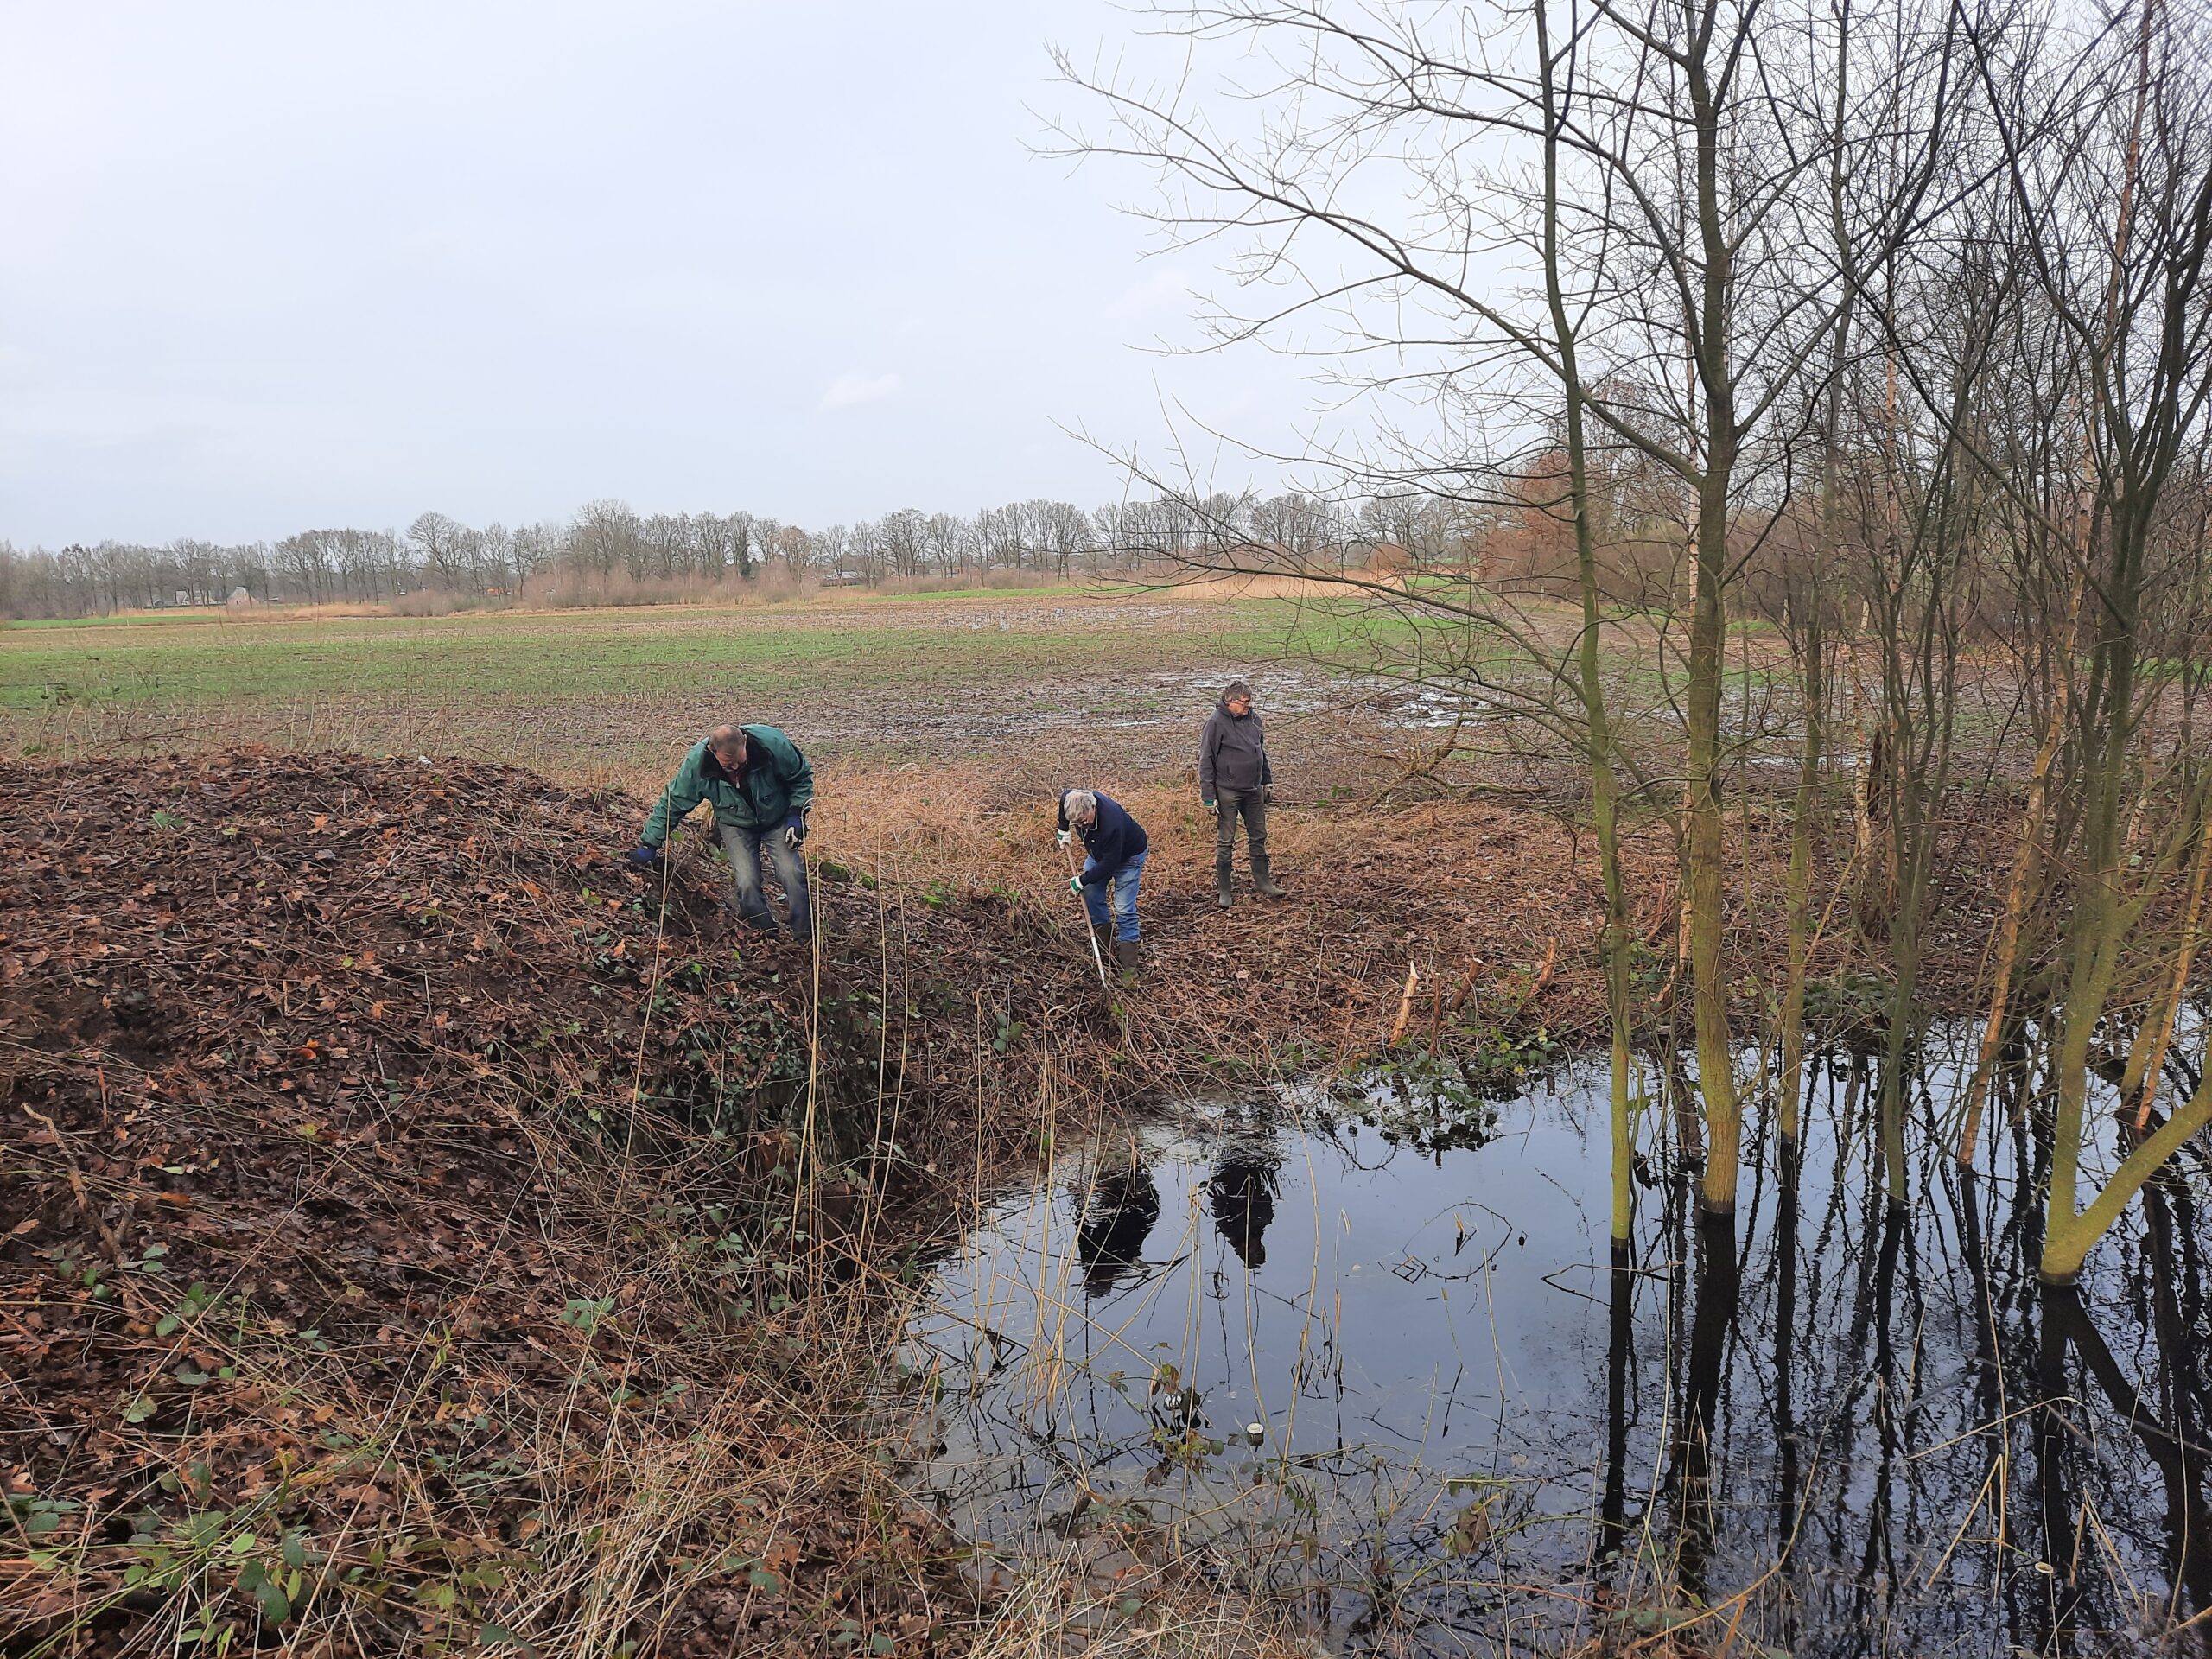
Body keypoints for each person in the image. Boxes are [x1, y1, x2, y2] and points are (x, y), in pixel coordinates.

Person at [628, 723, 815, 943]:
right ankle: (764, 935)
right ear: (712, 751)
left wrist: (796, 814)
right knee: (746, 880)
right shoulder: (697, 765)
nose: (735, 768)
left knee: (791, 873)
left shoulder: (772, 745)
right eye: (728, 766)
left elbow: (801, 777)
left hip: (778, 817)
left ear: (745, 741)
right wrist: (650, 844)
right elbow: (674, 802)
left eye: (740, 762)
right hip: (735, 822)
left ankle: (805, 937)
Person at [1198, 679, 1285, 907]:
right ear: (1231, 702)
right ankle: (1225, 891)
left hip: (1253, 789)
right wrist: (1208, 797)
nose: (1249, 706)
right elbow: (1206, 760)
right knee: (1226, 841)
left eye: (1250, 701)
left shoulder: (1254, 719)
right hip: (1228, 791)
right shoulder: (1215, 723)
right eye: (1245, 702)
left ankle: (1263, 882)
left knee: (1258, 836)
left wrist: (1267, 781)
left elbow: (1260, 752)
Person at [1058, 787, 1148, 981]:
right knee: (1091, 894)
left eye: (1083, 821)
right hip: (1100, 853)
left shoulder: (1111, 823)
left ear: (1093, 807)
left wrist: (1082, 880)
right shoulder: (1072, 799)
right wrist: (1063, 828)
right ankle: (1103, 951)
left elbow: (1110, 864)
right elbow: (1064, 797)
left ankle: (1130, 971)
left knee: (1124, 909)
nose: (1081, 826)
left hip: (1129, 858)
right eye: (1076, 824)